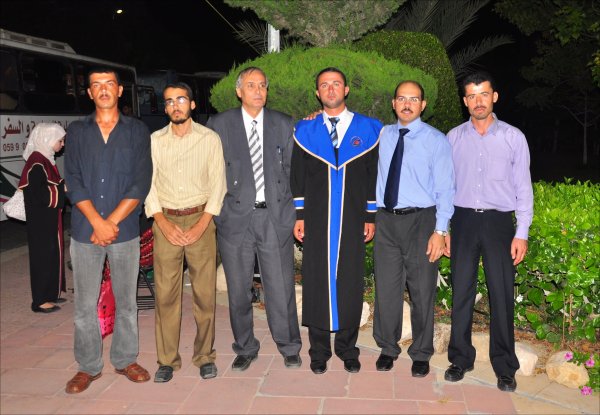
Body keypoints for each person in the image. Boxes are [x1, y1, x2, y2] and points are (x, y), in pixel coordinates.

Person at [206, 67, 302, 371]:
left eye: (262, 85)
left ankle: (289, 345)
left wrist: (294, 212)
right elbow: (211, 171)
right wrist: (218, 212)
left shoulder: (283, 123)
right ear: (239, 91)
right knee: (238, 289)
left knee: (281, 286)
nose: (258, 90)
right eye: (251, 85)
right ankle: (245, 346)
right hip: (235, 218)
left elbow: (294, 171)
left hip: (274, 217)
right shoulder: (220, 124)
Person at [64, 67, 152, 394]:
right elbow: (73, 180)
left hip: (124, 230)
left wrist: (110, 222)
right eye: (96, 85)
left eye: (109, 84)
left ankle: (125, 359)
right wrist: (97, 222)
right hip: (85, 230)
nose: (103, 89)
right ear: (89, 93)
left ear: (119, 90)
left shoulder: (137, 131)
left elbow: (141, 181)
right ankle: (88, 366)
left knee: (127, 301)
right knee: (84, 305)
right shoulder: (77, 131)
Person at [444, 71, 533, 392]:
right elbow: (446, 186)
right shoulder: (453, 138)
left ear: (494, 96)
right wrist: (444, 227)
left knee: (501, 293)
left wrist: (522, 231)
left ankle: (505, 366)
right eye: (471, 95)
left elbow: (523, 187)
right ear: (465, 101)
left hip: (499, 223)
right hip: (463, 220)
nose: (478, 101)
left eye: (483, 94)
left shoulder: (513, 137)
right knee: (461, 292)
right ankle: (460, 358)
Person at [291, 67, 381, 375]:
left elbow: (373, 175)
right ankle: (318, 351)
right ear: (318, 93)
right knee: (316, 281)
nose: (331, 89)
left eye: (336, 84)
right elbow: (297, 176)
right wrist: (300, 216)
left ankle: (347, 348)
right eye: (325, 85)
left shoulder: (369, 129)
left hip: (353, 217)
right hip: (317, 218)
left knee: (350, 282)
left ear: (346, 90)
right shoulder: (305, 131)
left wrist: (370, 215)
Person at [144, 82, 226, 382]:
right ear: (165, 108)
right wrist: (162, 223)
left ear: (192, 104)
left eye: (180, 100)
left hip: (201, 218)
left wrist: (202, 224)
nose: (174, 106)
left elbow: (218, 184)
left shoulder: (209, 139)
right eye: (169, 101)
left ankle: (204, 356)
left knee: (204, 295)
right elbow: (148, 185)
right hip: (165, 219)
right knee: (166, 295)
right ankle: (167, 360)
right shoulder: (154, 141)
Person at [372, 81, 455, 376]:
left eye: (414, 99)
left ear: (423, 104)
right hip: (385, 220)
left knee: (421, 290)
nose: (407, 104)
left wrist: (440, 231)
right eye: (402, 99)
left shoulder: (436, 140)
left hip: (421, 221)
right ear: (393, 103)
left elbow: (446, 189)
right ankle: (387, 347)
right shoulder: (382, 134)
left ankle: (421, 352)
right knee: (386, 288)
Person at [19, 123, 68, 313]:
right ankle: (39, 300)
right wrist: (62, 190)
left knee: (52, 254)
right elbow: (37, 194)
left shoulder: (45, 159)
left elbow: (50, 185)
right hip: (41, 221)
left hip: (49, 219)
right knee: (42, 257)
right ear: (48, 139)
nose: (62, 144)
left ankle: (50, 294)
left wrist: (61, 186)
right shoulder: (36, 162)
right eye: (60, 140)